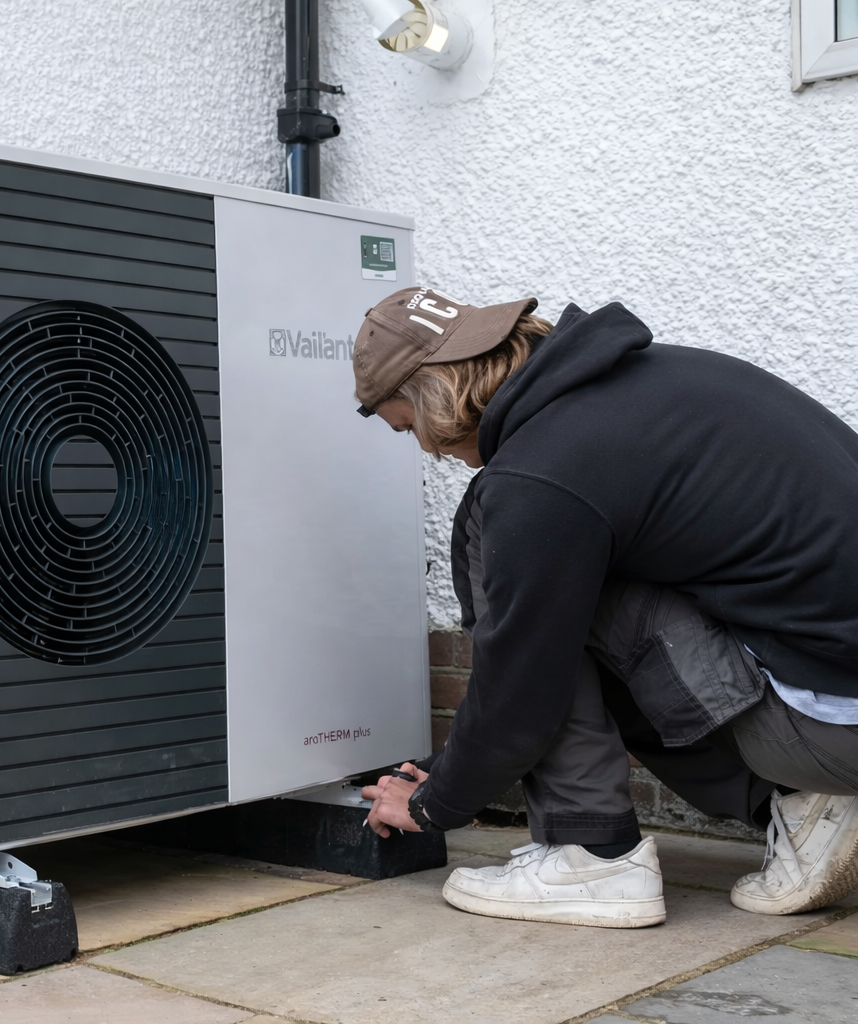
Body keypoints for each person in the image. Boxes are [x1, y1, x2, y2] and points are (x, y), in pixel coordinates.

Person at [356, 286, 858, 928]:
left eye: (410, 428)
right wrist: (444, 767)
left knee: (536, 583)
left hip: (835, 732)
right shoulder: (659, 384)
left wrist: (434, 803)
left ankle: (595, 858)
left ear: (433, 396)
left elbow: (522, 683)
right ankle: (803, 807)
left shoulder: (541, 476)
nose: (431, 451)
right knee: (558, 586)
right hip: (835, 687)